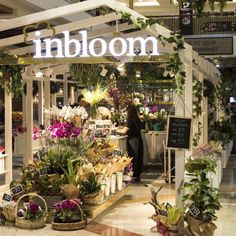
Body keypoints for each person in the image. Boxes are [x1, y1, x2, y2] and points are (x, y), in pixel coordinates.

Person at [117, 104, 143, 182]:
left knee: (133, 158)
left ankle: (133, 175)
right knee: (138, 158)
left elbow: (124, 131)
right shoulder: (137, 119)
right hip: (138, 140)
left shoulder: (130, 120)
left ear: (129, 112)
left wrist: (115, 131)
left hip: (133, 141)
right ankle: (137, 176)